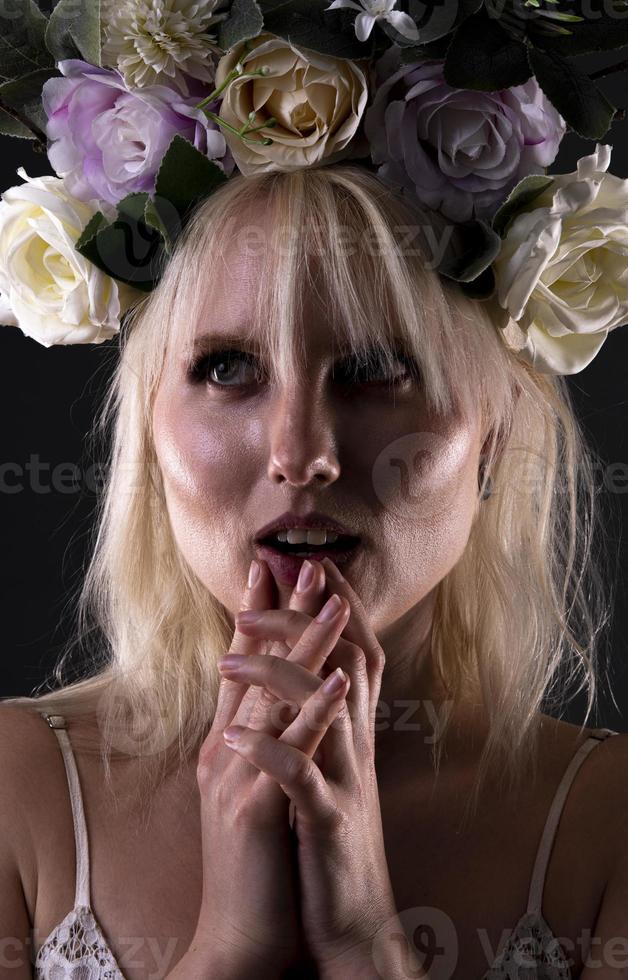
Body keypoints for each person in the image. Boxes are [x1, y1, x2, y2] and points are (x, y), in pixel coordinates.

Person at [1, 162, 627, 980]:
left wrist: (365, 941)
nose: (302, 457)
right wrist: (231, 948)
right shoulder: (17, 790)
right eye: (228, 368)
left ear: (499, 423)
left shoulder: (608, 823)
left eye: (373, 370)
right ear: (149, 417)